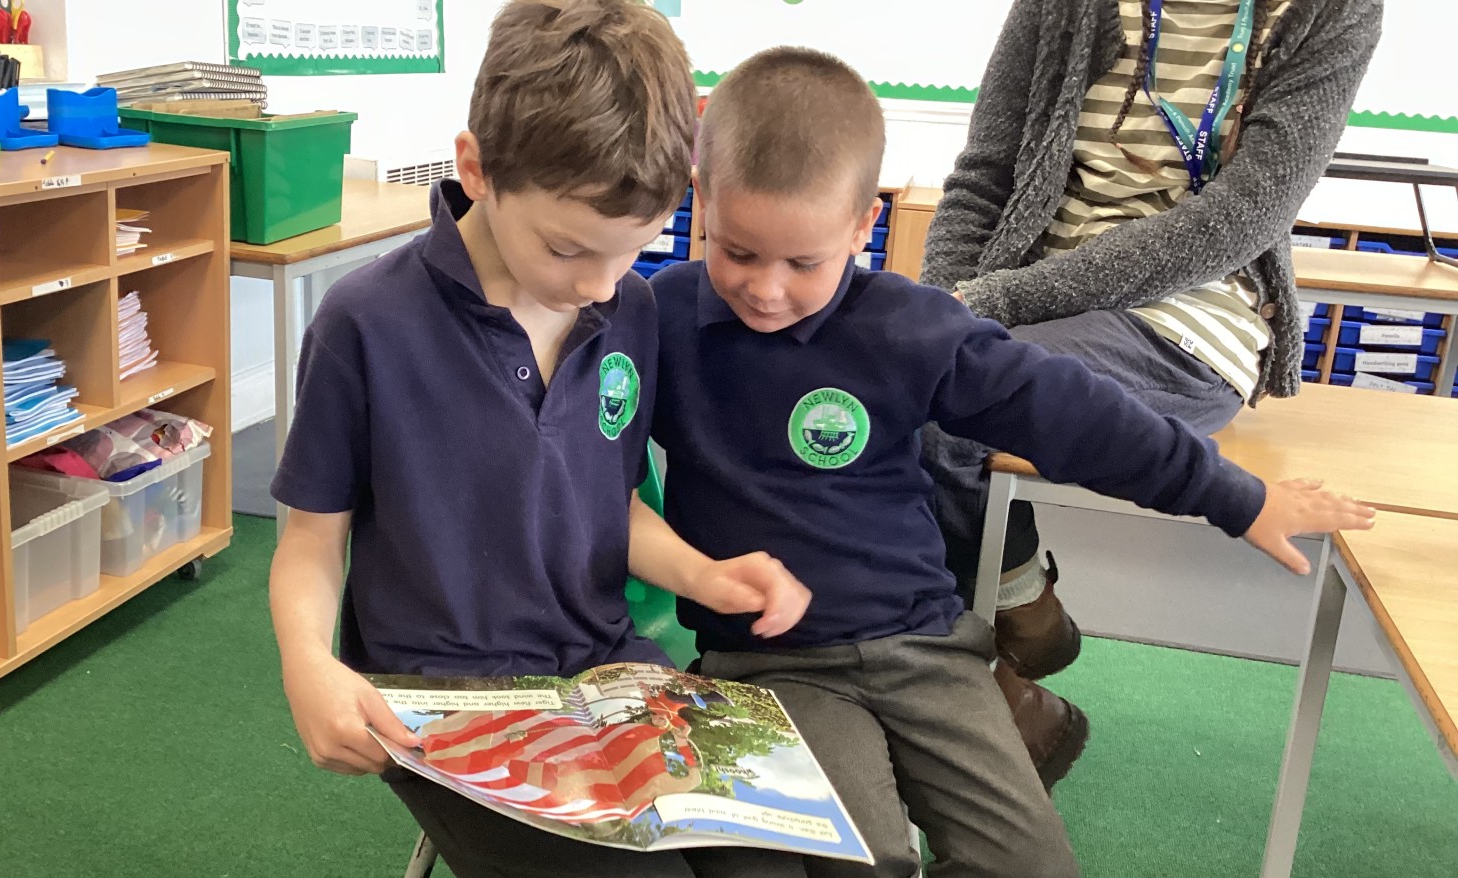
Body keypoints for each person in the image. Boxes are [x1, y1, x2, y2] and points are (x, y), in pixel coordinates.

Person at [649, 46, 1376, 878]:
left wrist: (1236, 498)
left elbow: (1076, 415)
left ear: (861, 227)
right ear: (701, 198)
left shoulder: (908, 328)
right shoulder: (658, 319)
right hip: (767, 666)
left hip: (924, 651)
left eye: (804, 264)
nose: (766, 290)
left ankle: (1027, 707)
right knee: (861, 858)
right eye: (739, 252)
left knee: (1033, 866)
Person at [266, 3, 810, 876]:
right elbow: (309, 542)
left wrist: (702, 573)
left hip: (601, 672)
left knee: (772, 865)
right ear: (476, 170)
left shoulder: (628, 309)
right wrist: (306, 662)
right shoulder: (365, 322)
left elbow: (612, 502)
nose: (598, 285)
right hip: (441, 693)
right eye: (566, 250)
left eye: (634, 249)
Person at [917, 0, 1383, 786]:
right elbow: (982, 178)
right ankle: (1009, 688)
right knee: (884, 410)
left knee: (942, 414)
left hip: (1190, 315)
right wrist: (946, 309)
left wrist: (990, 308)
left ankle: (1013, 615)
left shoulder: (1329, 12)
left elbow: (1244, 217)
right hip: (1020, 299)